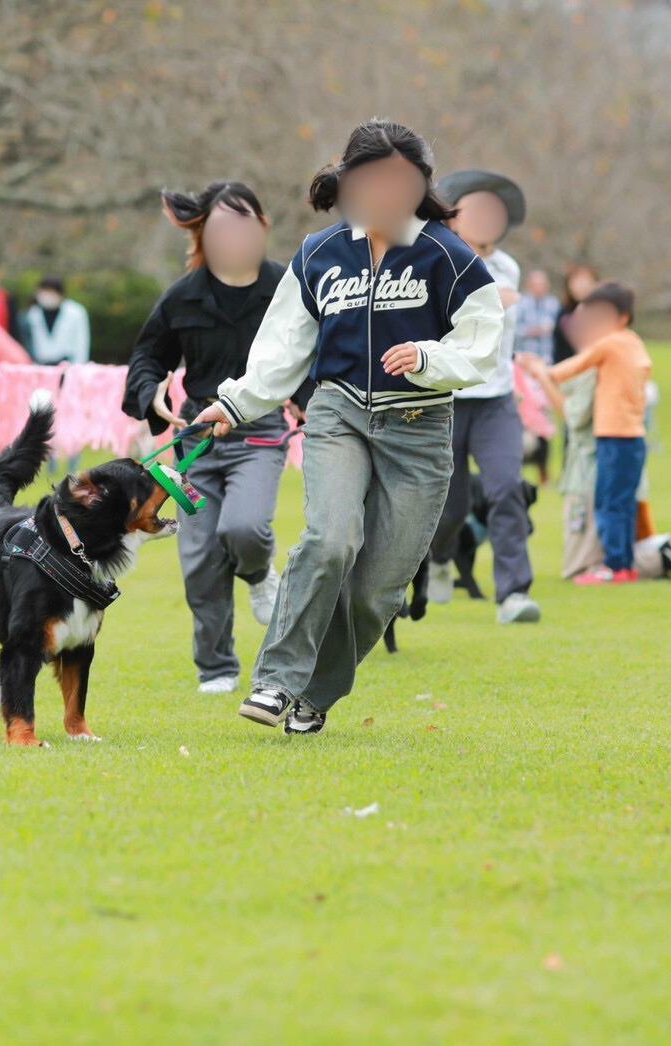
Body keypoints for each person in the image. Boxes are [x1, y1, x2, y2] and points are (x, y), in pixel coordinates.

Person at [191, 119, 505, 735]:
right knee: (329, 540)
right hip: (339, 413)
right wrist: (235, 403)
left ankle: (317, 694)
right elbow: (284, 346)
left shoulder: (449, 255)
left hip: (418, 426)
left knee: (376, 591)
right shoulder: (318, 254)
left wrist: (427, 359)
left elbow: (485, 346)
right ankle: (276, 682)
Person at [122, 182, 310, 696]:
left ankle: (258, 573)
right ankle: (216, 667)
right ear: (204, 233)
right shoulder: (184, 295)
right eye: (222, 228)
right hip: (197, 438)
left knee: (245, 528)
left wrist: (306, 398)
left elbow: (310, 353)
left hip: (260, 431)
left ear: (263, 227)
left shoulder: (286, 288)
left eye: (244, 225)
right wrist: (151, 396)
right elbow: (148, 358)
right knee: (201, 557)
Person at [425, 169, 539, 624]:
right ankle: (438, 558)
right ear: (454, 214)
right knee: (448, 506)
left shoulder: (509, 265)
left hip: (497, 399)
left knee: (506, 488)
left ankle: (513, 594)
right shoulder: (434, 260)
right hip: (447, 398)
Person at [521, 283, 651, 586]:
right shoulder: (632, 343)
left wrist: (541, 371)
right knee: (620, 501)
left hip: (615, 437)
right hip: (629, 437)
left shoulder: (612, 344)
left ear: (621, 318)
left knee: (609, 502)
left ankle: (615, 566)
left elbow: (571, 369)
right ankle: (623, 565)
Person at [25, 275, 92, 475]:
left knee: (73, 416)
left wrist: (77, 372)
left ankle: (73, 461)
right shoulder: (34, 314)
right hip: (44, 370)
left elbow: (82, 343)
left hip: (70, 370)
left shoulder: (76, 312)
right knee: (47, 415)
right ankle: (50, 461)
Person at [551, 264, 600, 364]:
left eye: (586, 281)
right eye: (577, 282)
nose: (581, 286)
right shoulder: (564, 312)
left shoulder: (601, 313)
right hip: (564, 369)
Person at [515, 269, 559, 363]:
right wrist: (528, 331)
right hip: (524, 359)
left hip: (547, 359)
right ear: (528, 286)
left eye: (542, 285)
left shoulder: (554, 304)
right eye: (535, 285)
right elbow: (512, 329)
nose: (539, 288)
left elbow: (559, 330)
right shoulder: (519, 303)